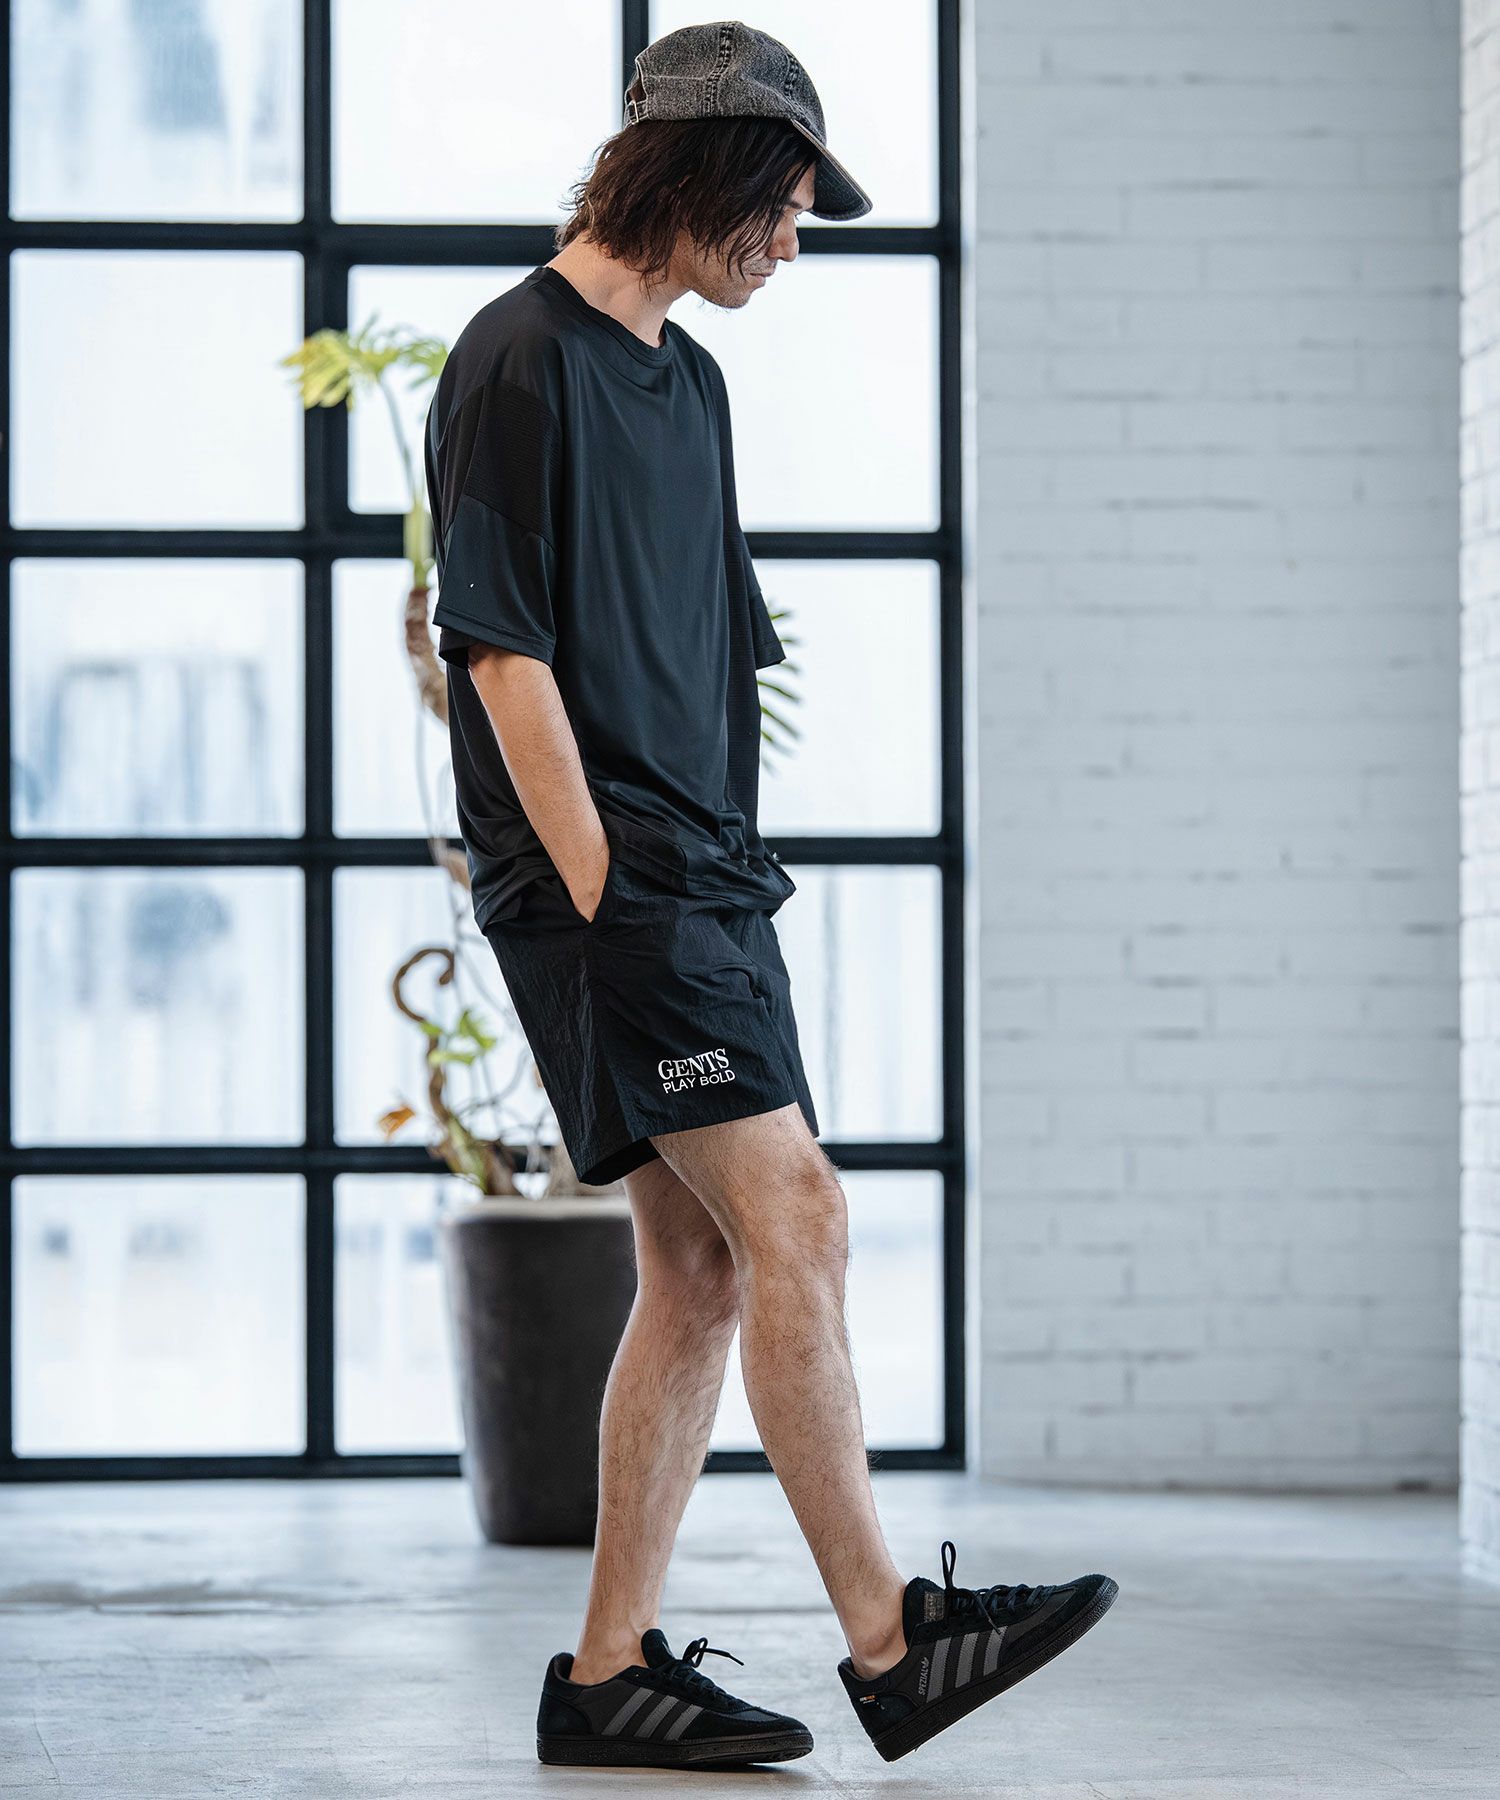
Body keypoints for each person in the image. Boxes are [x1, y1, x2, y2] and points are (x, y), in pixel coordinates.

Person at [424, 19, 1118, 1771]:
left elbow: (707, 646)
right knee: (798, 1213)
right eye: (787, 205)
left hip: (707, 874)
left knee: (700, 1269)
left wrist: (707, 873)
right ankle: (893, 1644)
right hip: (614, 884)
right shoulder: (518, 358)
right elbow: (500, 654)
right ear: (706, 171)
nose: (796, 242)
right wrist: (606, 894)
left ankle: (605, 1679)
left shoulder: (693, 384)